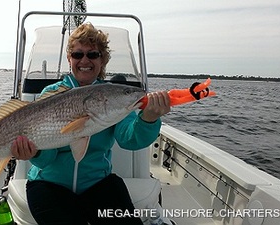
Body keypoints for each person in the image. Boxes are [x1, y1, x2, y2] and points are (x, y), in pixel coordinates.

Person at [10, 22, 171, 225]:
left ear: (103, 60)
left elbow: (129, 139)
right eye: (78, 54)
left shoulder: (113, 96)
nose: (84, 60)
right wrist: (35, 153)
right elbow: (46, 159)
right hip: (48, 184)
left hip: (98, 183)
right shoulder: (51, 94)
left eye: (93, 54)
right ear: (69, 59)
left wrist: (149, 118)